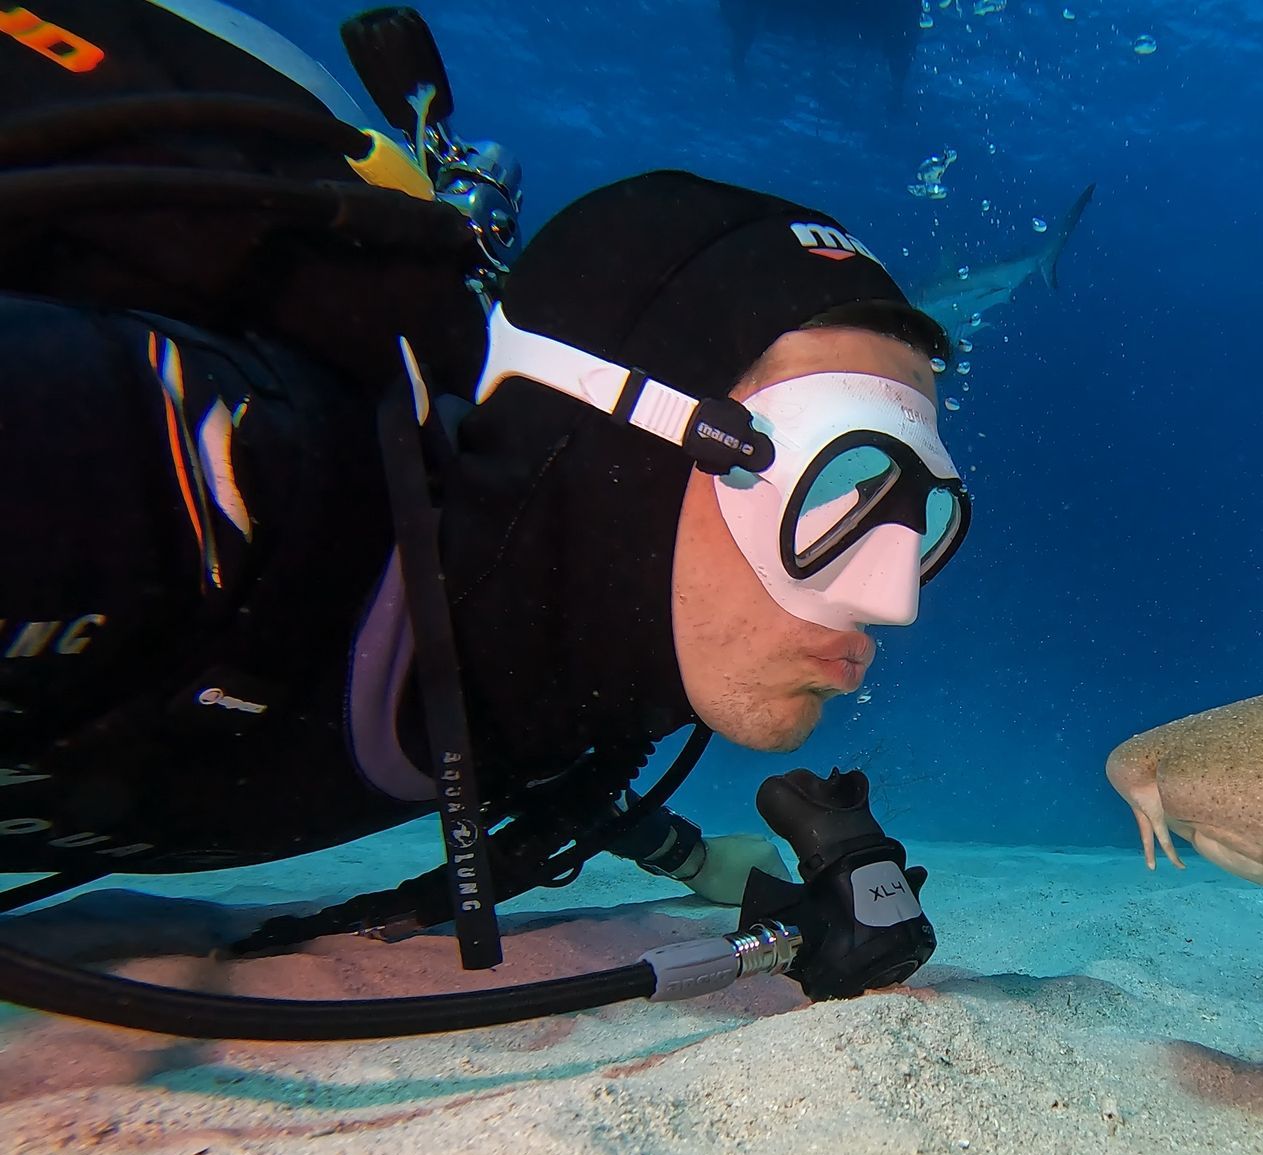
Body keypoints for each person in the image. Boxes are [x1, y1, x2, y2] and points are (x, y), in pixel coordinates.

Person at [0, 0, 969, 950]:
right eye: (840, 490)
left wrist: (685, 858)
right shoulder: (189, 468)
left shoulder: (561, 666)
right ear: (630, 444)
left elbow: (527, 712)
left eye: (921, 524)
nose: (893, 602)